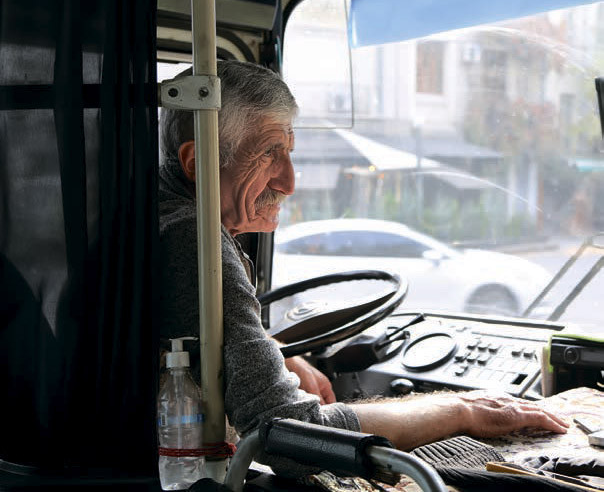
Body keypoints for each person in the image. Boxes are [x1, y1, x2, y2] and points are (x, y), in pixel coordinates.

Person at [159, 60, 568, 475]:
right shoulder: (193, 238)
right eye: (268, 153)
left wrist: (273, 352)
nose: (290, 182)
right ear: (197, 162)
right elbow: (289, 436)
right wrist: (462, 409)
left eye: (289, 152)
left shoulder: (163, 214)